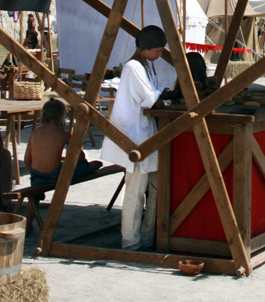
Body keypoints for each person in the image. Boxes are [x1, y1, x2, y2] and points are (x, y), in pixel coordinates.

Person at [101, 25, 168, 250]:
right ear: (145, 49)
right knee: (136, 190)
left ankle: (149, 236)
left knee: (156, 187)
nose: (159, 55)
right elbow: (151, 99)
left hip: (148, 134)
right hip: (135, 136)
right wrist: (166, 97)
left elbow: (156, 93)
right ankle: (131, 241)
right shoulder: (132, 67)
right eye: (157, 51)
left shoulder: (147, 66)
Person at [24, 99, 101, 229]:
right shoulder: (63, 134)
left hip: (37, 177)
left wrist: (36, 172)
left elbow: (27, 160)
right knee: (82, 166)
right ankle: (91, 167)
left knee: (34, 196)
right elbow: (80, 157)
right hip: (54, 176)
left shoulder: (35, 133)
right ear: (61, 117)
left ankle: (27, 225)